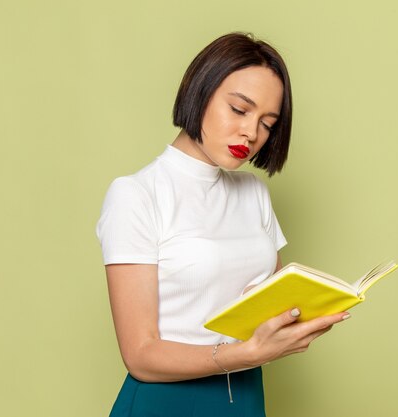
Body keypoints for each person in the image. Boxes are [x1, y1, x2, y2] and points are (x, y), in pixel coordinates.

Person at [96, 32, 350, 417]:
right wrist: (243, 353)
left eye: (268, 123)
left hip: (244, 395)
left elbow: (265, 301)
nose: (252, 133)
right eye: (239, 109)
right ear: (200, 91)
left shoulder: (253, 192)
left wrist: (299, 317)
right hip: (166, 403)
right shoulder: (136, 194)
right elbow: (140, 355)